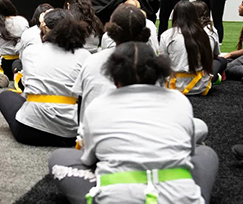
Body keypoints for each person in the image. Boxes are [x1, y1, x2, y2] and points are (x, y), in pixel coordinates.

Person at [49, 42, 218, 204]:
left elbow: (89, 159)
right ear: (159, 71)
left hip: (117, 198)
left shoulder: (98, 105)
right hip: (178, 197)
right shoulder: (179, 101)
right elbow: (189, 152)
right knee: (206, 154)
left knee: (60, 157)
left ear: (113, 75)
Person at [0, 9, 90, 147]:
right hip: (70, 132)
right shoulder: (85, 55)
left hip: (30, 130)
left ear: (44, 29)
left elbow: (26, 84)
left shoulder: (31, 52)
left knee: (5, 96)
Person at [74, 4, 151, 125]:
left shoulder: (92, 60)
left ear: (111, 31)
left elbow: (80, 99)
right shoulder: (153, 63)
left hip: (95, 133)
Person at [159, 0, 214, 96]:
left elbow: (162, 64)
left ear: (175, 15)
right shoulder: (204, 34)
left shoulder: (167, 35)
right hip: (201, 86)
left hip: (174, 86)